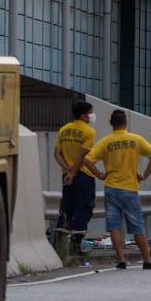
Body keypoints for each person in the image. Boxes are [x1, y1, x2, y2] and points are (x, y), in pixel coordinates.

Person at [83, 110, 151, 271]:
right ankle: (147, 260)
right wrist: (144, 175)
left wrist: (100, 174)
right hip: (129, 188)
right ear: (125, 122)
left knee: (114, 226)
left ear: (111, 123)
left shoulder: (105, 142)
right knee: (137, 225)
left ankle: (121, 259)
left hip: (111, 188)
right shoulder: (135, 139)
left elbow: (88, 160)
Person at [52, 101, 96, 267]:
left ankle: (60, 249)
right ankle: (75, 248)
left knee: (66, 209)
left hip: (67, 176)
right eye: (90, 112)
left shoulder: (63, 130)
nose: (92, 115)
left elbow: (56, 153)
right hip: (83, 175)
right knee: (84, 208)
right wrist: (73, 172)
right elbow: (82, 155)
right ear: (83, 115)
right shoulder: (89, 131)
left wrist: (67, 169)